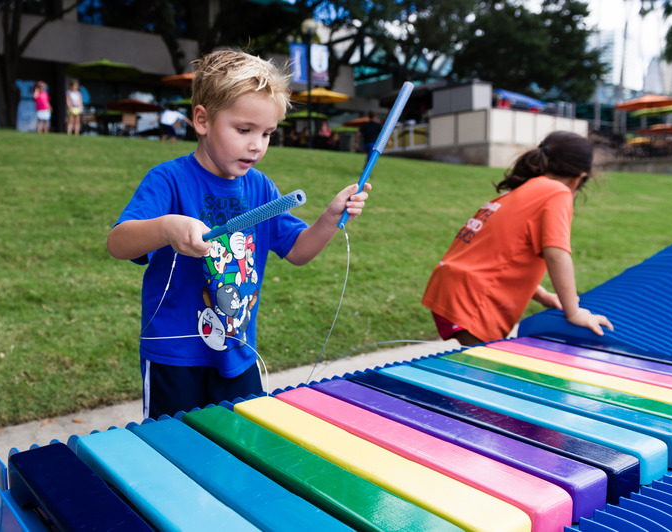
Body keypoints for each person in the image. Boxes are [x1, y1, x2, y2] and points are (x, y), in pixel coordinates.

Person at [106, 49, 372, 419]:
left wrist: (328, 219)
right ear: (202, 120)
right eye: (244, 130)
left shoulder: (261, 189)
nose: (256, 145)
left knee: (240, 451)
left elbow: (297, 249)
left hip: (239, 352)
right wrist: (167, 228)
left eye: (267, 133)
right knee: (175, 452)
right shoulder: (169, 180)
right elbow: (118, 242)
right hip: (175, 355)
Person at [421, 131, 613, 346]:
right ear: (579, 177)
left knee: (479, 365)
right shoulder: (557, 191)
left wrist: (542, 296)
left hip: (452, 286)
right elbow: (556, 254)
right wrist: (574, 312)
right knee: (487, 371)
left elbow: (503, 254)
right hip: (473, 298)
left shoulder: (523, 191)